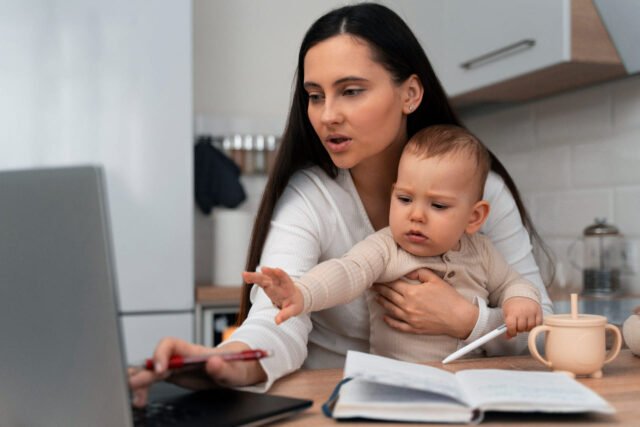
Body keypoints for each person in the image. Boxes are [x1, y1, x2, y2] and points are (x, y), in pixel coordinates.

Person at [129, 3, 554, 406]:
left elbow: (545, 330)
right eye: (315, 96)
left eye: (351, 91)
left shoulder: (481, 192)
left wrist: (468, 321)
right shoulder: (310, 196)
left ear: (410, 94)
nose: (327, 115)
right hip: (339, 406)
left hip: (456, 402)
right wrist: (226, 362)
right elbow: (277, 317)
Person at [243, 125, 542, 362]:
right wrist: (302, 293)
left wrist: (520, 301)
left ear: (474, 217)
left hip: (470, 381)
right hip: (398, 380)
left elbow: (513, 283)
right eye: (404, 199)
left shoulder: (483, 251)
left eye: (438, 206)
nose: (416, 216)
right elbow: (348, 272)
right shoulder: (387, 246)